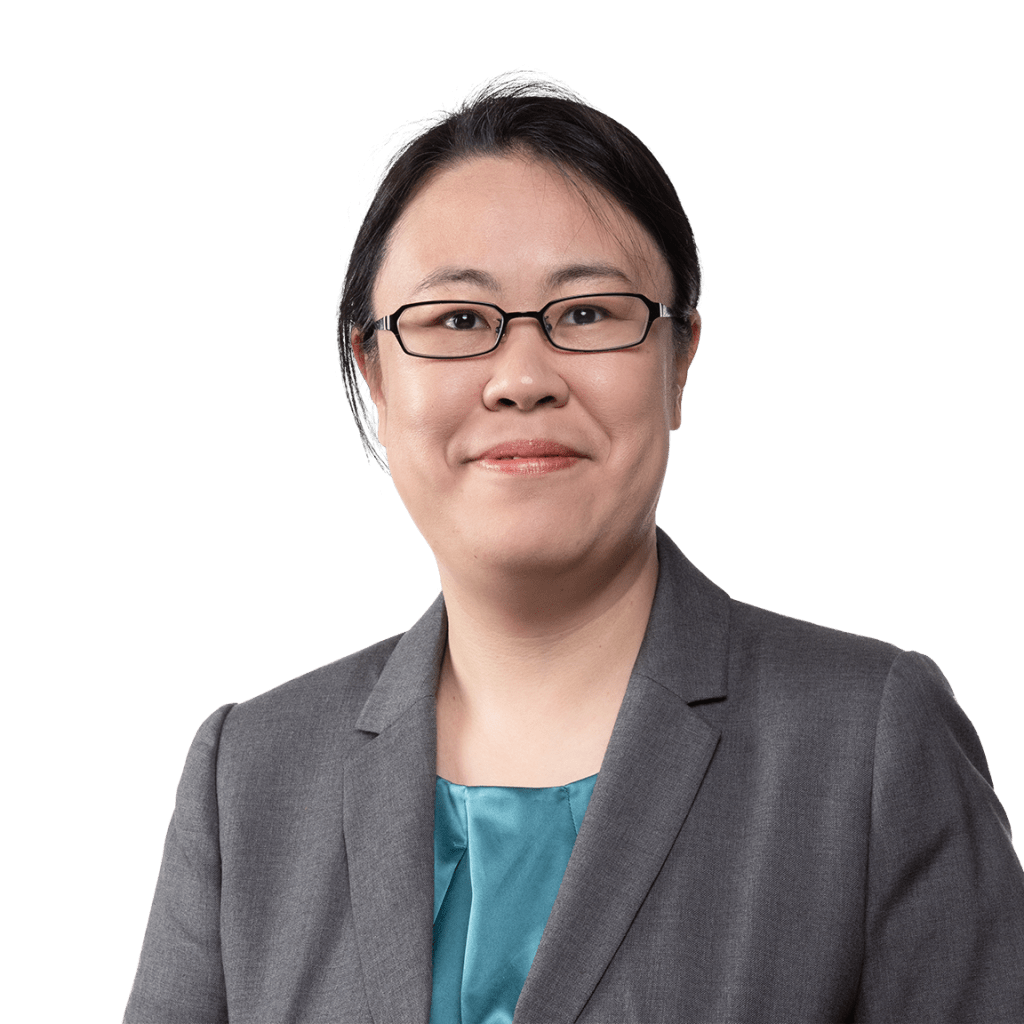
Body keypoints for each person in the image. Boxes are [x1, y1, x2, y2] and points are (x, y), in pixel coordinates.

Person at [124, 70, 1024, 1023]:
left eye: (588, 313)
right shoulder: (249, 775)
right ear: (375, 375)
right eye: (457, 320)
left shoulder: (869, 741)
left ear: (679, 360)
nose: (522, 377)